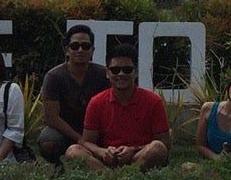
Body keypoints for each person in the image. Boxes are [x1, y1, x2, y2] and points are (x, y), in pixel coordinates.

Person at [66, 42, 170, 171]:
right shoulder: (96, 102)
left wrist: (133, 150)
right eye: (115, 70)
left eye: (127, 70)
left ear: (136, 72)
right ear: (107, 73)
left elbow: (165, 143)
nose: (121, 74)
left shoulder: (153, 101)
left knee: (157, 148)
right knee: (73, 151)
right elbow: (86, 141)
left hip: (139, 158)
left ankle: (127, 179)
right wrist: (102, 152)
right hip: (107, 161)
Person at [36, 24, 109, 162]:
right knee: (48, 142)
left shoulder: (103, 75)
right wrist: (81, 140)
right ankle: (58, 170)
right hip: (64, 130)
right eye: (75, 46)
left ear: (92, 50)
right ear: (67, 50)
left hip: (96, 129)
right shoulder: (54, 77)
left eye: (85, 46)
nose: (80, 50)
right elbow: (52, 118)